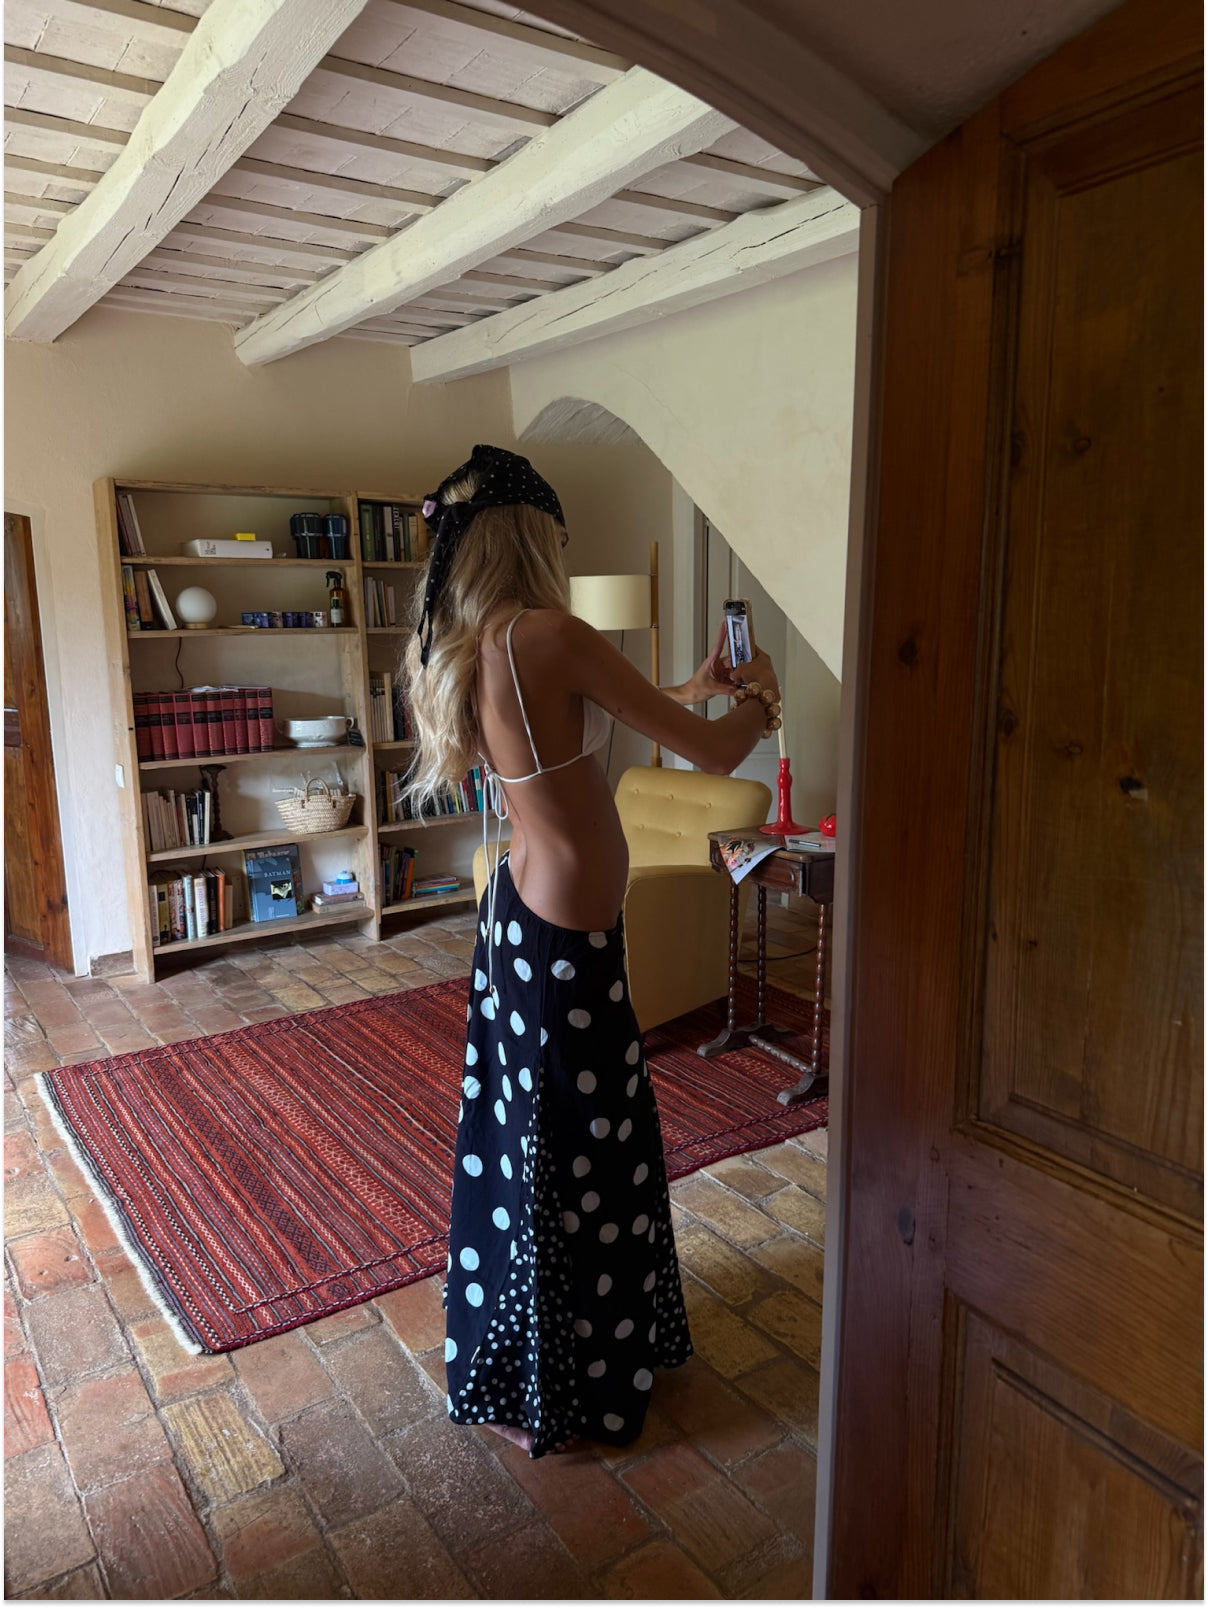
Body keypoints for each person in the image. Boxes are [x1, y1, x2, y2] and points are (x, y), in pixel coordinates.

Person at [402, 444, 783, 1458]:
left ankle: (531, 1354)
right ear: (529, 536)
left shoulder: (486, 637)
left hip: (519, 915)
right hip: (566, 926)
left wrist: (690, 684)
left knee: (529, 1135)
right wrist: (762, 694)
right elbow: (717, 753)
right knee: (585, 1143)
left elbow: (598, 709)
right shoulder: (549, 632)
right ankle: (578, 1372)